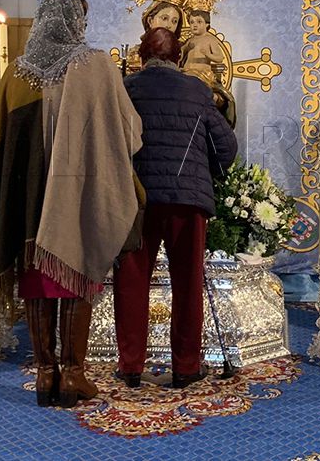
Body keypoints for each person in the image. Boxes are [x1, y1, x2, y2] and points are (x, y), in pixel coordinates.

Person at [0, 0, 143, 408]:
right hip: (78, 194)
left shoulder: (15, 73)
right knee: (75, 270)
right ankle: (72, 374)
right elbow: (129, 133)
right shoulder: (96, 66)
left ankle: (44, 373)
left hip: (27, 202)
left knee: (35, 280)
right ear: (74, 23)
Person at [114, 27, 237, 390]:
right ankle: (186, 366)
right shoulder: (198, 91)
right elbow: (226, 147)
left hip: (138, 201)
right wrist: (204, 172)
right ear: (179, 58)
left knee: (132, 282)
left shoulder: (127, 89)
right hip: (188, 200)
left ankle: (131, 365)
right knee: (188, 284)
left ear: (140, 55)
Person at [181, 9, 236, 127]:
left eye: (199, 21)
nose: (194, 25)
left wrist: (208, 54)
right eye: (191, 22)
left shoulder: (210, 40)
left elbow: (219, 57)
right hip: (186, 72)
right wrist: (184, 49)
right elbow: (180, 56)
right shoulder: (190, 41)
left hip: (202, 74)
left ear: (207, 24)